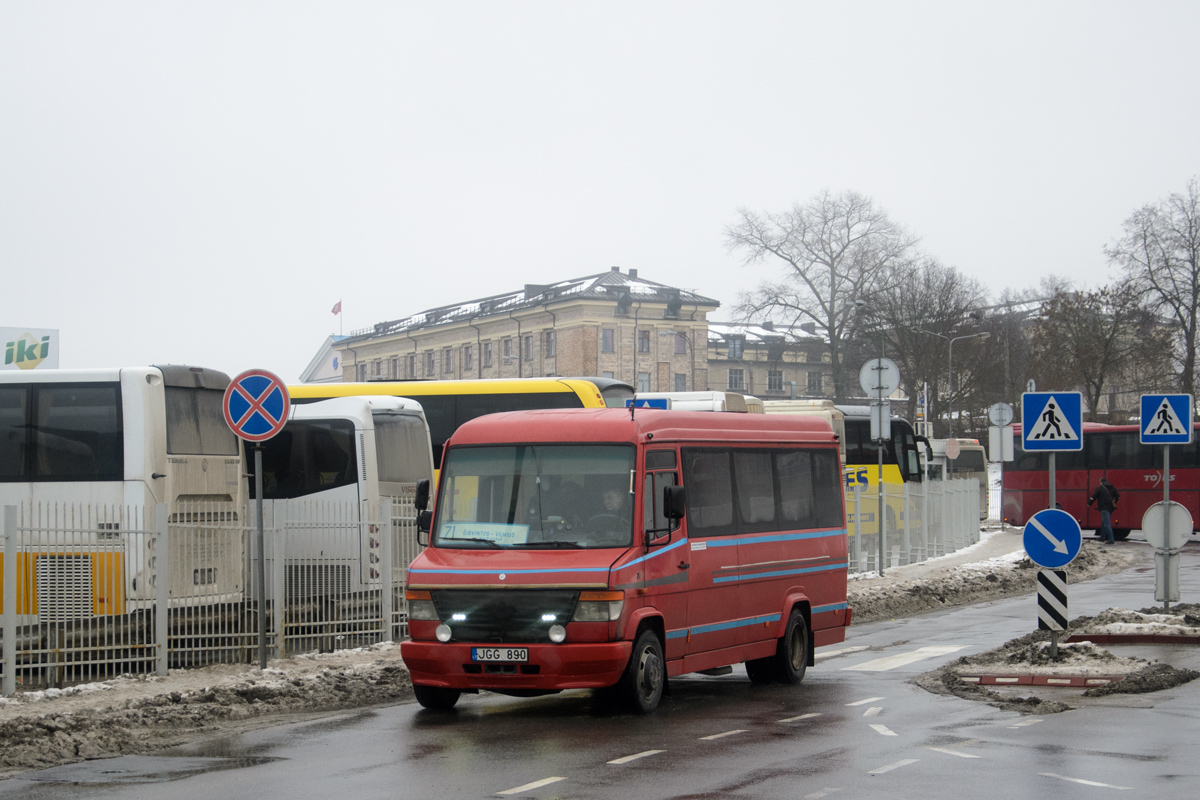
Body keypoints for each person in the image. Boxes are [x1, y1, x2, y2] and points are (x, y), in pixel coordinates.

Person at [1087, 477, 1120, 543]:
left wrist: (1089, 504)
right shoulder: (1112, 488)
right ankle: (1102, 537)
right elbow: (1118, 496)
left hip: (1104, 508)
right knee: (1104, 522)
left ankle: (1111, 539)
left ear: (1101, 482)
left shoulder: (1100, 489)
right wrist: (1114, 502)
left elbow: (1093, 497)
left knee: (1106, 523)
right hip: (1110, 508)